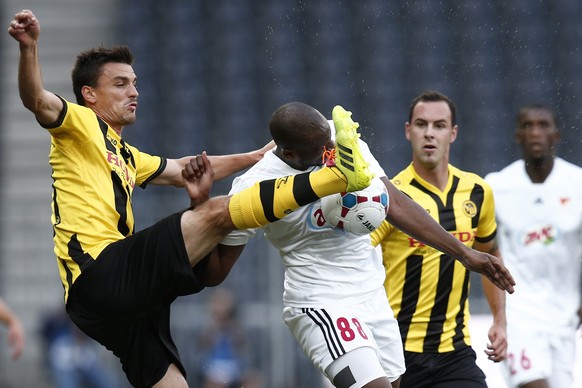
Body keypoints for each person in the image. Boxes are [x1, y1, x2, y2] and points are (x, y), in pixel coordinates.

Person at [9, 9, 382, 388]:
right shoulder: (79, 123)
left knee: (171, 383)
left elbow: (183, 168)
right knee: (219, 212)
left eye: (134, 83)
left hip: (113, 300)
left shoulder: (124, 154)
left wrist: (255, 157)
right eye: (120, 84)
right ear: (89, 94)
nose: (134, 91)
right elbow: (38, 100)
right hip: (101, 270)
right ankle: (336, 177)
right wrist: (29, 48)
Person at [218, 101, 515, 388]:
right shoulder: (253, 188)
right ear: (290, 153)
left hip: (373, 298)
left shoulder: (342, 139)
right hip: (320, 301)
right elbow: (215, 272)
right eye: (319, 151)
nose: (330, 153)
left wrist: (465, 254)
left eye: (329, 143)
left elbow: (395, 203)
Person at [370, 90, 507, 388]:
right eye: (421, 124)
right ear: (408, 131)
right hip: (396, 351)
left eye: (439, 125)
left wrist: (499, 319)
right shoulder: (391, 197)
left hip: (454, 353)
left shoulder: (477, 191)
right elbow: (355, 257)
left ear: (453, 133)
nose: (429, 133)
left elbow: (490, 253)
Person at [485, 103, 582, 388]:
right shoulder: (497, 186)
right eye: (528, 126)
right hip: (519, 313)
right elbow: (486, 248)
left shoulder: (578, 183)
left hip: (564, 317)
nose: (535, 133)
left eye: (543, 125)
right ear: (517, 135)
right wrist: (498, 316)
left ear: (557, 135)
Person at [196, 288, 262, 388]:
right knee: (213, 383)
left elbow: (244, 354)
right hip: (213, 368)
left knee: (253, 381)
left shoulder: (237, 328)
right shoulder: (207, 328)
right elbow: (200, 356)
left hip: (234, 367)